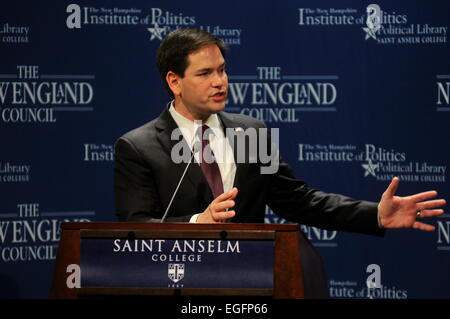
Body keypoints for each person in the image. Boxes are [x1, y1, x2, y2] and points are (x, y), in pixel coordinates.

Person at [114, 28, 445, 231]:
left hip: (248, 282)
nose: (220, 82)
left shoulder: (250, 133)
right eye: (205, 74)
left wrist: (375, 215)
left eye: (223, 70)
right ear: (175, 81)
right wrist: (199, 222)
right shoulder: (138, 146)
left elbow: (299, 202)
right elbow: (136, 227)